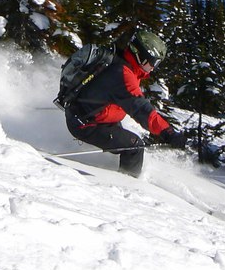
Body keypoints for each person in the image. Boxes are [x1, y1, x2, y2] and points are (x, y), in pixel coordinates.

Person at [64, 29, 187, 177]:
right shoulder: (123, 74)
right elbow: (141, 109)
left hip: (89, 115)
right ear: (141, 56)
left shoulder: (122, 63)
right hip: (85, 124)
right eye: (153, 62)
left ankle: (112, 171)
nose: (153, 68)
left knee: (125, 138)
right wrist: (168, 132)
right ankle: (128, 186)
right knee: (135, 147)